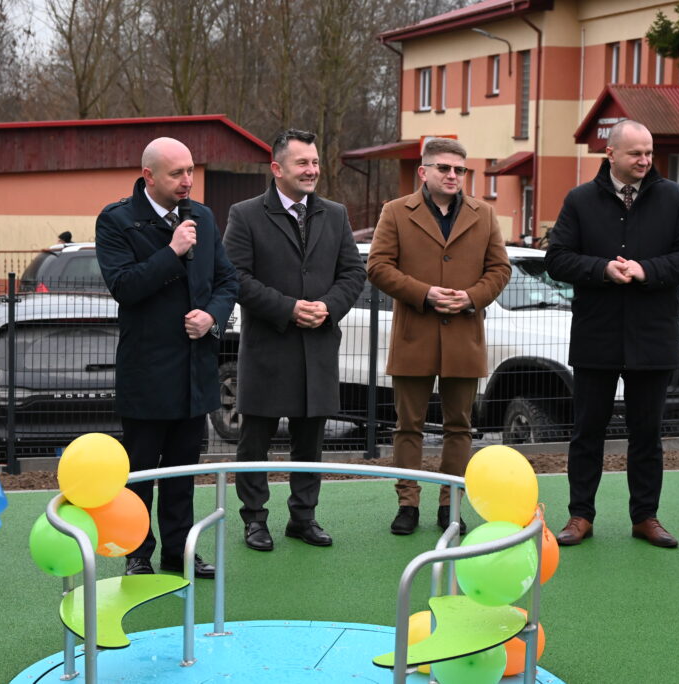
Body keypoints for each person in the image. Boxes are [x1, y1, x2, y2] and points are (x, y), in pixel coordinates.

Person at [544, 119, 679, 549]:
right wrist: (602, 269)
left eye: (649, 152)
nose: (644, 160)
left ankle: (645, 517)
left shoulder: (672, 197)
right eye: (635, 153)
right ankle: (580, 516)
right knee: (587, 431)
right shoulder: (580, 200)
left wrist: (645, 270)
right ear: (610, 154)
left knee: (647, 433)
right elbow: (557, 259)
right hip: (596, 337)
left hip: (653, 339)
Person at [95, 137, 237, 577]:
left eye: (190, 171)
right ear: (149, 177)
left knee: (182, 471)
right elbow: (125, 287)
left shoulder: (204, 217)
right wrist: (172, 251)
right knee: (139, 471)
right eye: (176, 173)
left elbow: (227, 280)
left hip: (195, 369)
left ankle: (179, 551)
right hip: (147, 371)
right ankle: (138, 553)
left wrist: (211, 317)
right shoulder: (117, 221)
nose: (187, 181)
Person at [223, 129, 364, 552]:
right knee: (255, 443)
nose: (312, 171)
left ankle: (303, 518)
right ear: (277, 168)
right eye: (303, 163)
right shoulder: (245, 214)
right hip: (269, 348)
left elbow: (354, 274)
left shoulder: (335, 214)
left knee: (311, 441)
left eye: (316, 162)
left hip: (317, 347)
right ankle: (255, 520)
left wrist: (327, 307)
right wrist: (288, 308)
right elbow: (235, 277)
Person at [367, 138, 511, 536]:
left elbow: (500, 270)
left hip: (464, 336)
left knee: (459, 427)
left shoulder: (484, 214)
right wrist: (424, 293)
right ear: (423, 172)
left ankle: (451, 504)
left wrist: (471, 298)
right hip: (414, 335)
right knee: (407, 425)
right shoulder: (395, 212)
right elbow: (378, 266)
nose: (452, 176)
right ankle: (407, 504)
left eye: (459, 170)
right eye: (444, 168)